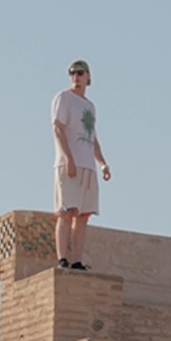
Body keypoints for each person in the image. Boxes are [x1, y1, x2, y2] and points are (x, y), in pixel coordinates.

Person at [50, 61, 109, 269]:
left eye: (80, 73)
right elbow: (57, 128)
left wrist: (102, 163)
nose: (76, 76)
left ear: (88, 76)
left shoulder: (90, 106)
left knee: (83, 215)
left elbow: (92, 137)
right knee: (67, 211)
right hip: (69, 164)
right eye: (72, 73)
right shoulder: (63, 98)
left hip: (88, 167)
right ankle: (62, 258)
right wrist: (68, 158)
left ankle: (76, 260)